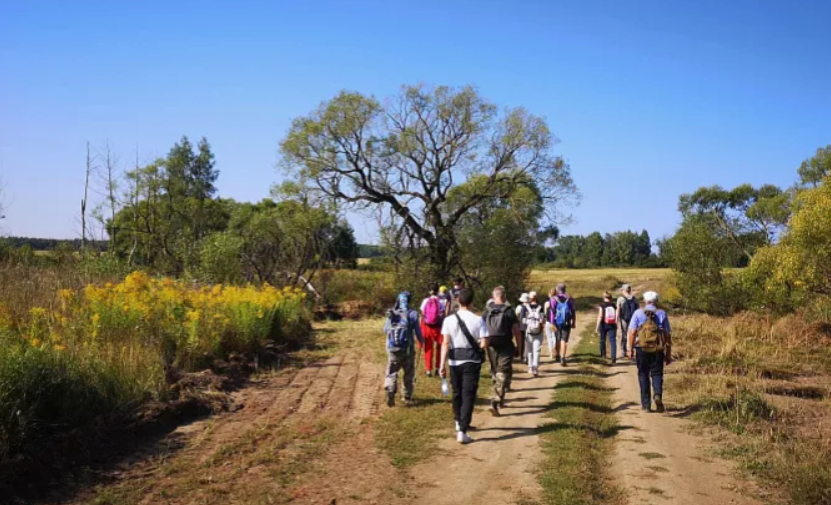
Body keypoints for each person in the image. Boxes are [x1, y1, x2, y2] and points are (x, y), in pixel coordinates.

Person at [439, 288, 489, 444]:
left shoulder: (448, 320)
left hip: (454, 361)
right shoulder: (478, 319)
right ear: (472, 302)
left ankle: (457, 421)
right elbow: (484, 343)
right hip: (472, 361)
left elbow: (445, 343)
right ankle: (462, 430)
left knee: (457, 392)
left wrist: (441, 364)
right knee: (468, 395)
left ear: (458, 301)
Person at [627, 291, 673, 413]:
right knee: (657, 374)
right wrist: (668, 353)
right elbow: (667, 335)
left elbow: (632, 333)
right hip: (658, 349)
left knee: (643, 374)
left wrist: (630, 349)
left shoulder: (638, 313)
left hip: (641, 349)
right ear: (656, 301)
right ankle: (657, 394)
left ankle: (646, 405)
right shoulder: (662, 313)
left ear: (644, 300)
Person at [482, 286, 520, 416]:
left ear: (493, 296)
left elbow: (481, 329)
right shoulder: (509, 311)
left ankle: (500, 395)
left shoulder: (487, 311)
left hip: (490, 344)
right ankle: (495, 400)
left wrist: (482, 345)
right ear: (504, 297)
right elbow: (517, 331)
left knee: (497, 371)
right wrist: (519, 348)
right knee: (502, 372)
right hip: (505, 344)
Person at [383, 292, 424, 407]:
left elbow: (385, 330)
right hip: (408, 349)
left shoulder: (391, 313)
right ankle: (406, 396)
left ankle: (390, 389)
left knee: (392, 371)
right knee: (408, 372)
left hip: (393, 349)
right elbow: (418, 331)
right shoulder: (413, 314)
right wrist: (422, 341)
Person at [420, 283, 445, 377]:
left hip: (427, 327)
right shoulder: (441, 301)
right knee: (439, 348)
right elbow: (442, 314)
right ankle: (438, 368)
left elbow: (422, 314)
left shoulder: (425, 301)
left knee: (428, 348)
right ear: (438, 291)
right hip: (438, 327)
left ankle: (428, 370)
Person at [552, 284, 576, 366]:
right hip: (567, 322)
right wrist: (574, 322)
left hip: (556, 322)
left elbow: (552, 312)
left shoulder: (554, 299)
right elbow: (573, 311)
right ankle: (563, 357)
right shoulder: (569, 299)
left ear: (557, 289)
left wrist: (552, 323)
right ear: (564, 289)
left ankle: (557, 355)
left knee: (557, 338)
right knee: (564, 340)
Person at [523, 291, 545, 376]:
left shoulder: (525, 307)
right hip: (538, 332)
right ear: (536, 297)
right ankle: (535, 367)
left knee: (530, 351)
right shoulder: (540, 307)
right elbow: (543, 320)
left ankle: (530, 367)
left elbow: (522, 320)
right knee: (537, 350)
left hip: (529, 332)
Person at [616, 284, 639, 357]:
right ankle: (635, 350)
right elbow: (638, 309)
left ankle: (624, 351)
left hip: (624, 319)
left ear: (623, 290)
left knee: (624, 334)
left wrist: (617, 319)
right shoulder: (634, 299)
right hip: (634, 319)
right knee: (635, 334)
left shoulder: (620, 299)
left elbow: (618, 309)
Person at [596, 291, 618, 363]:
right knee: (613, 341)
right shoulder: (613, 305)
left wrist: (597, 327)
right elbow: (617, 315)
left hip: (603, 324)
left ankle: (603, 355)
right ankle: (613, 357)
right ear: (611, 298)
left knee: (602, 340)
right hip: (612, 324)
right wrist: (616, 322)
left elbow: (600, 316)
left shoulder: (602, 305)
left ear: (603, 298)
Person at [543, 288, 560, 361]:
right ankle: (555, 352)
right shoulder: (558, 302)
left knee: (549, 338)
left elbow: (545, 313)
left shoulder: (547, 303)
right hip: (556, 322)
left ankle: (551, 353)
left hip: (548, 322)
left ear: (549, 294)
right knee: (555, 337)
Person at [515, 293, 530, 362]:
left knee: (521, 341)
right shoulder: (531, 306)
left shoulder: (519, 307)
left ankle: (522, 355)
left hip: (521, 326)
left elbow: (516, 316)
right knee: (529, 341)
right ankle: (528, 356)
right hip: (530, 326)